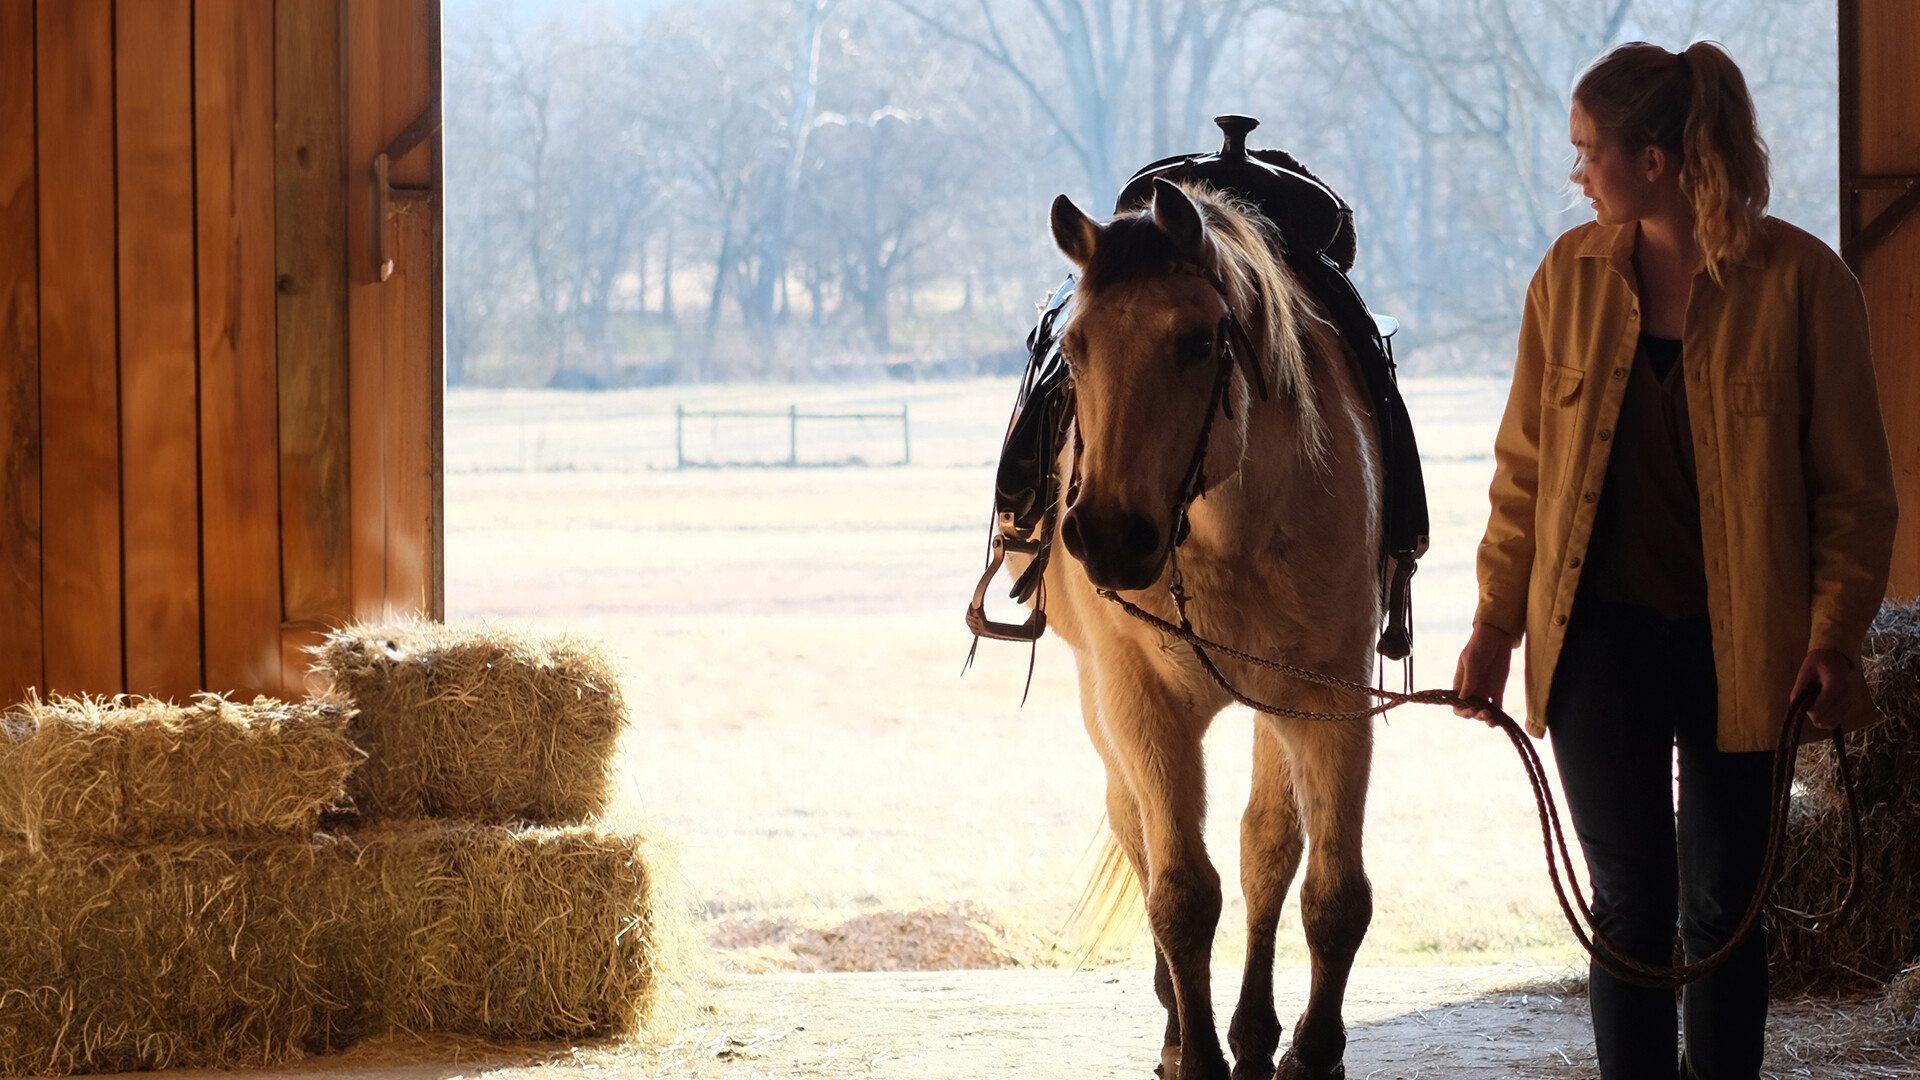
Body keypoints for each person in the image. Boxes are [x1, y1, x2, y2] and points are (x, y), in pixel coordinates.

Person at [1451, 39, 1899, 1080]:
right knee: (1630, 909)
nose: (1576, 172)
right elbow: (1524, 474)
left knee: (1722, 913)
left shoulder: (1805, 285)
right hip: (1598, 641)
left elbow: (1856, 494)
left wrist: (1834, 635)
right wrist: (1493, 623)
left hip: (1750, 649)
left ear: (1653, 159)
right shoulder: (1564, 281)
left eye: (1587, 150)